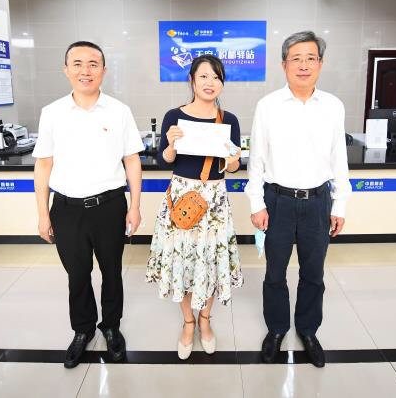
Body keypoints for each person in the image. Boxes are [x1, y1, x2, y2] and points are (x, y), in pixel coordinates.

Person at [32, 41, 143, 369]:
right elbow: (43, 165)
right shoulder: (52, 112)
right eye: (78, 64)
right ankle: (82, 329)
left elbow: (132, 160)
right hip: (66, 209)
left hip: (110, 206)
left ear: (104, 71)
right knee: (77, 274)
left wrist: (135, 206)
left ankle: (111, 327)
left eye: (93, 64)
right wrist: (42, 214)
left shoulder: (119, 111)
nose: (86, 70)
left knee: (112, 272)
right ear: (66, 70)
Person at [245, 30, 351, 368]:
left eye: (310, 58)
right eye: (296, 59)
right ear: (284, 65)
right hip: (277, 201)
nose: (303, 65)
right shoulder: (268, 106)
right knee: (275, 272)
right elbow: (257, 160)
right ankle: (277, 329)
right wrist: (256, 204)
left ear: (320, 63)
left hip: (318, 202)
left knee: (313, 273)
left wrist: (340, 204)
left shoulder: (333, 106)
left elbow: (339, 160)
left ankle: (308, 330)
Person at [146, 54, 243, 360]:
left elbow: (234, 166)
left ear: (222, 82)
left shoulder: (229, 120)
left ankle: (205, 320)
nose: (210, 83)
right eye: (203, 76)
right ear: (192, 80)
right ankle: (188, 322)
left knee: (210, 261)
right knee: (182, 261)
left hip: (214, 201)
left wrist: (233, 160)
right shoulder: (174, 116)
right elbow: (164, 161)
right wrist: (171, 145)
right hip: (181, 198)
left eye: (216, 77)